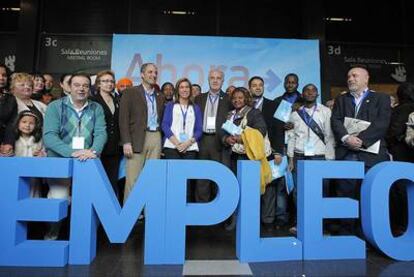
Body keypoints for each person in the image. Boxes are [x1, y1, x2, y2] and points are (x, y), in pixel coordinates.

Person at [43, 72, 107, 240]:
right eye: (77, 85)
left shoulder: (96, 108)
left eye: (85, 86)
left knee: (86, 202)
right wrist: (72, 153)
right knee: (58, 198)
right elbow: (49, 136)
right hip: (60, 162)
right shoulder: (55, 107)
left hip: (87, 161)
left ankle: (82, 240)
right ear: (68, 88)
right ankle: (52, 234)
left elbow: (101, 133)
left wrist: (93, 151)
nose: (81, 89)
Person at [331, 66, 391, 235]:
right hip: (346, 153)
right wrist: (346, 138)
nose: (350, 78)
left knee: (369, 195)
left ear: (366, 78)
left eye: (355, 75)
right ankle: (346, 233)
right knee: (344, 194)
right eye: (349, 75)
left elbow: (382, 123)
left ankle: (368, 234)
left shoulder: (381, 98)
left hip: (371, 155)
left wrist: (362, 141)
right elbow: (335, 120)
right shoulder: (341, 100)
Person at [287, 84, 335, 234]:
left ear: (317, 94)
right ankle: (300, 222)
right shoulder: (295, 114)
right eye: (307, 90)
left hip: (319, 158)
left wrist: (330, 159)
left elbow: (330, 137)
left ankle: (320, 224)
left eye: (313, 90)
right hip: (299, 156)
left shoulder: (325, 112)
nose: (310, 93)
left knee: (320, 191)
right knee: (298, 192)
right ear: (302, 94)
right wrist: (290, 159)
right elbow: (291, 137)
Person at [220, 87, 271, 230]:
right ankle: (234, 220)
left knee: (249, 191)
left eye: (240, 97)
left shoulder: (254, 113)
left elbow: (261, 130)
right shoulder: (229, 114)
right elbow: (221, 133)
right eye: (234, 98)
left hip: (248, 159)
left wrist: (242, 138)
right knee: (234, 190)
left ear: (246, 98)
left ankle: (249, 222)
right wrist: (226, 139)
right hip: (232, 157)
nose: (237, 100)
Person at [119, 63, 165, 204]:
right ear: (142, 75)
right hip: (136, 139)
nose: (153, 75)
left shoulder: (160, 96)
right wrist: (126, 142)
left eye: (156, 72)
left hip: (155, 136)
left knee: (152, 177)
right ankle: (130, 212)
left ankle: (148, 209)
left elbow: (161, 119)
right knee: (133, 177)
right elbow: (123, 119)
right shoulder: (130, 92)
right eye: (150, 72)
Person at [262, 73, 303, 229]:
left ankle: (295, 218)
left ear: (297, 84)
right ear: (284, 84)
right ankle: (281, 217)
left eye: (294, 82)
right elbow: (273, 126)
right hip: (280, 146)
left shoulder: (305, 100)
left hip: (298, 148)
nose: (291, 84)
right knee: (279, 183)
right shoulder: (277, 102)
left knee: (296, 186)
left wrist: (294, 124)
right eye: (288, 82)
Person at [248, 76, 280, 231]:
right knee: (251, 185)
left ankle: (268, 220)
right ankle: (251, 217)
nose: (258, 88)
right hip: (249, 152)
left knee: (269, 186)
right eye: (254, 85)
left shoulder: (273, 105)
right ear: (250, 88)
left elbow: (279, 129)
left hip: (269, 152)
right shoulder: (244, 105)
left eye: (260, 85)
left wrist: (278, 151)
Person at [194, 69, 231, 202]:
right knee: (202, 177)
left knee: (219, 177)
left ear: (222, 81)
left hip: (220, 141)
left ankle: (218, 210)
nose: (215, 80)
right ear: (208, 80)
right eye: (212, 78)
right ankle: (201, 210)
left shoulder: (229, 99)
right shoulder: (199, 98)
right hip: (202, 140)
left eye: (218, 78)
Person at [387, 82, 414, 235]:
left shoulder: (402, 109)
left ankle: (402, 226)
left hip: (401, 155)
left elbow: (393, 132)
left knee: (400, 189)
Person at [91, 70, 121, 199]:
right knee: (97, 181)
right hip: (98, 147)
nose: (109, 84)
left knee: (112, 180)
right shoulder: (93, 100)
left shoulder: (117, 99)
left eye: (111, 81)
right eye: (105, 81)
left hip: (114, 147)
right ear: (98, 84)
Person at [162, 78, 202, 160]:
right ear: (177, 90)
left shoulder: (195, 108)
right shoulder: (171, 105)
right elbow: (165, 125)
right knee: (173, 172)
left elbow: (199, 129)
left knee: (188, 173)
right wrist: (178, 144)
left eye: (187, 87)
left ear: (190, 90)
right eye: (182, 87)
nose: (184, 90)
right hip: (171, 146)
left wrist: (187, 143)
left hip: (190, 147)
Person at [14, 111, 46, 197]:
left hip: (33, 175)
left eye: (31, 123)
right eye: (24, 122)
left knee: (33, 194)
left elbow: (44, 153)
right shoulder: (13, 140)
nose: (27, 125)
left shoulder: (39, 140)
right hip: (15, 173)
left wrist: (42, 154)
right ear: (18, 123)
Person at [0, 63, 17, 157]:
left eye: (4, 75)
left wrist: (8, 144)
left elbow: (11, 124)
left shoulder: (10, 99)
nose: (1, 78)